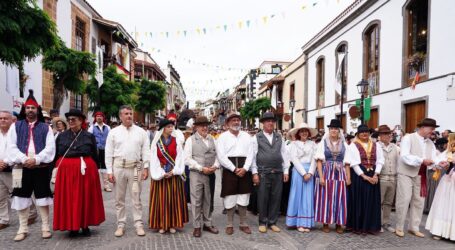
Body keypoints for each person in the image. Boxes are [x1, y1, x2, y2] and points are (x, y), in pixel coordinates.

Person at [7, 90, 55, 241]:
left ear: (37, 109)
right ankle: (23, 228)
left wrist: (37, 159)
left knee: (43, 197)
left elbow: (50, 148)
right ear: (24, 109)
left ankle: (45, 227)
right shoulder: (16, 126)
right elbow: (11, 146)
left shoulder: (45, 127)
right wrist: (23, 158)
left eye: (33, 108)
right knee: (20, 197)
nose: (30, 110)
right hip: (20, 168)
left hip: (40, 168)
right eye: (27, 108)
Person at [53, 109, 105, 237]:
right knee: (70, 199)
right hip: (67, 172)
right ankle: (72, 226)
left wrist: (95, 170)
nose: (71, 121)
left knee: (85, 197)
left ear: (81, 121)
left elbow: (94, 154)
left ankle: (85, 224)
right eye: (69, 119)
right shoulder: (62, 136)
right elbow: (56, 154)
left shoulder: (89, 136)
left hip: (85, 171)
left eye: (74, 119)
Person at [395, 118, 448, 238]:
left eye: (434, 129)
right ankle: (399, 226)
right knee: (404, 199)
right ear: (423, 127)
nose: (433, 131)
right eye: (431, 129)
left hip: (421, 175)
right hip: (406, 173)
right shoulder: (408, 138)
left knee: (419, 201)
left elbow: (434, 158)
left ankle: (414, 227)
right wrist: (422, 160)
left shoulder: (430, 143)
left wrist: (440, 163)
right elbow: (404, 156)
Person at [105, 105, 150, 237]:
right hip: (118, 167)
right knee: (119, 199)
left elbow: (146, 150)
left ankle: (138, 223)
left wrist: (146, 167)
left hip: (135, 168)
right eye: (126, 114)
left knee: (136, 197)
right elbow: (108, 152)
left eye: (131, 113)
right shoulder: (113, 132)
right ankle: (121, 224)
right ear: (120, 116)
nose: (129, 116)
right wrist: (109, 171)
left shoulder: (141, 132)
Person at [250, 112, 289, 233]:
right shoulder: (256, 137)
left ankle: (272, 222)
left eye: (272, 121)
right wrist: (254, 172)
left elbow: (284, 154)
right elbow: (252, 156)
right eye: (267, 121)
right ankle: (262, 222)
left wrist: (286, 170)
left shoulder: (279, 137)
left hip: (277, 172)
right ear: (263, 123)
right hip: (263, 172)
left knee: (276, 198)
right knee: (263, 197)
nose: (270, 123)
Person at [216, 112, 254, 235]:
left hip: (244, 169)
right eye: (233, 120)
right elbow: (221, 156)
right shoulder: (222, 137)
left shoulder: (247, 136)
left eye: (238, 120)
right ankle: (229, 224)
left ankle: (243, 223)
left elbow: (251, 154)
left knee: (244, 196)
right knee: (230, 196)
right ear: (228, 123)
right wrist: (234, 168)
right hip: (229, 169)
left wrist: (245, 168)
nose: (236, 122)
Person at [149, 118, 188, 234]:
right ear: (163, 129)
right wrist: (161, 172)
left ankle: (172, 224)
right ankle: (161, 224)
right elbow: (154, 158)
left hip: (173, 175)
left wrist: (174, 171)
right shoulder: (156, 142)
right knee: (161, 200)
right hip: (160, 175)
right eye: (169, 127)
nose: (171, 129)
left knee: (173, 200)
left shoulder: (176, 141)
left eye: (172, 127)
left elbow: (180, 157)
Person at [184, 116, 219, 237]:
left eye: (206, 125)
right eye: (201, 125)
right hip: (197, 174)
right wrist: (200, 167)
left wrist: (215, 166)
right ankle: (197, 226)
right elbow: (187, 159)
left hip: (210, 173)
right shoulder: (190, 140)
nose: (204, 127)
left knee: (208, 199)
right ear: (196, 127)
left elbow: (218, 156)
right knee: (196, 200)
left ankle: (208, 223)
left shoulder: (213, 139)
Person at [347, 125, 384, 234]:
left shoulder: (376, 145)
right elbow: (353, 163)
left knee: (372, 202)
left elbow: (380, 160)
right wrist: (364, 176)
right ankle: (359, 226)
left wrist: (376, 174)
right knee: (360, 201)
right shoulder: (353, 146)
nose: (364, 134)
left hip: (373, 175)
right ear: (358, 134)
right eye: (362, 132)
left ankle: (371, 227)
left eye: (366, 132)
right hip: (359, 177)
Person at [314, 119, 350, 234]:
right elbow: (319, 161)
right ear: (329, 130)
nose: (334, 130)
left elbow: (347, 162)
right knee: (325, 198)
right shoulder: (323, 143)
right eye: (332, 129)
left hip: (340, 173)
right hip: (326, 171)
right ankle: (325, 222)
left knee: (340, 198)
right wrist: (321, 177)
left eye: (336, 129)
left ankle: (339, 223)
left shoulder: (344, 144)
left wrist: (348, 178)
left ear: (339, 131)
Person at [285, 122, 318, 232]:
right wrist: (304, 173)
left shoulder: (313, 144)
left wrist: (310, 173)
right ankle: (297, 222)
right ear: (298, 133)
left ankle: (306, 222)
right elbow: (294, 159)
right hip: (298, 172)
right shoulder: (293, 145)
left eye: (306, 131)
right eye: (302, 131)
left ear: (308, 133)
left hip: (310, 172)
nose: (304, 133)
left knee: (308, 197)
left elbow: (315, 159)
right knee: (297, 195)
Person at [425, 133, 455, 240]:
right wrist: (443, 165)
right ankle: (438, 230)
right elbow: (436, 163)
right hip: (447, 182)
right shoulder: (447, 153)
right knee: (443, 204)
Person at [376, 125, 399, 233]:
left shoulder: (395, 147)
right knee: (379, 201)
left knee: (389, 202)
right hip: (382, 177)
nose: (388, 135)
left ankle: (386, 222)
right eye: (385, 134)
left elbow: (400, 161)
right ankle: (377, 223)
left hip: (393, 178)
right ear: (380, 135)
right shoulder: (376, 146)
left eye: (389, 133)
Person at [88, 111, 111, 192]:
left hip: (105, 149)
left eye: (100, 116)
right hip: (95, 150)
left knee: (105, 167)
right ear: (95, 118)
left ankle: (106, 185)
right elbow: (89, 139)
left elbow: (110, 139)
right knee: (95, 167)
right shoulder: (91, 127)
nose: (99, 117)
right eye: (97, 116)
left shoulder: (107, 127)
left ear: (103, 117)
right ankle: (95, 186)